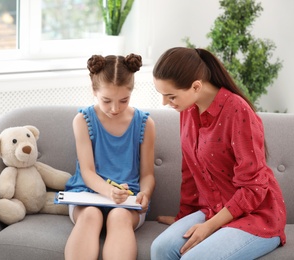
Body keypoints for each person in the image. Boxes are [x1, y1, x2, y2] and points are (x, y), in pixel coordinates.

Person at [150, 47, 286, 260]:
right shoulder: (187, 110)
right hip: (213, 208)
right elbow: (190, 172)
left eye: (170, 96)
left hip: (256, 216)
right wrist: (183, 217)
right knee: (160, 249)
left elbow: (254, 187)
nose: (165, 103)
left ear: (196, 86)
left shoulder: (238, 111)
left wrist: (209, 227)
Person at [64, 53, 156, 260]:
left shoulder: (145, 124)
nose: (115, 109)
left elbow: (147, 174)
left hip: (127, 202)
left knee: (119, 216)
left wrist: (145, 194)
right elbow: (87, 172)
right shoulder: (82, 120)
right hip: (87, 195)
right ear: (94, 91)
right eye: (106, 100)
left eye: (123, 100)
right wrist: (109, 191)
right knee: (90, 215)